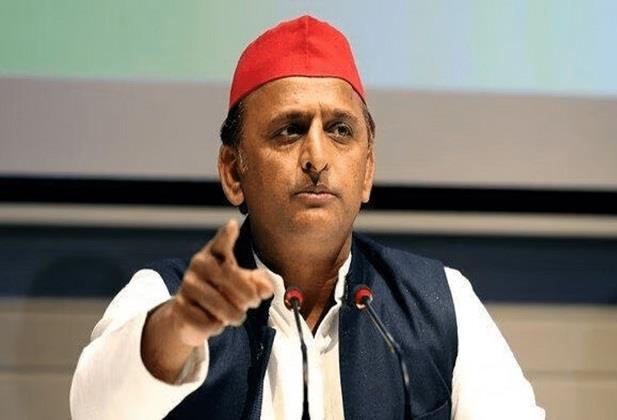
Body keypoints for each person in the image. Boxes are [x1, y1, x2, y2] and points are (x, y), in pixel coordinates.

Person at [70, 15, 545, 420]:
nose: (317, 157)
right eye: (289, 131)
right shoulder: (164, 297)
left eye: (339, 130)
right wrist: (179, 329)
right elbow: (93, 409)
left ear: (367, 171)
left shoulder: (441, 302)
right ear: (233, 171)